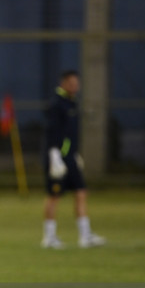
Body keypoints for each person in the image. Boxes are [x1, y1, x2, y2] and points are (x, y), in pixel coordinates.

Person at [41, 70, 106, 249]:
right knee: (54, 196)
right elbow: (52, 132)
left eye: (77, 83)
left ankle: (85, 236)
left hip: (69, 156)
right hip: (57, 157)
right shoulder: (57, 104)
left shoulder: (72, 103)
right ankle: (49, 237)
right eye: (72, 83)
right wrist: (54, 155)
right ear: (63, 83)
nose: (75, 86)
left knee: (81, 192)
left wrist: (74, 154)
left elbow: (70, 135)